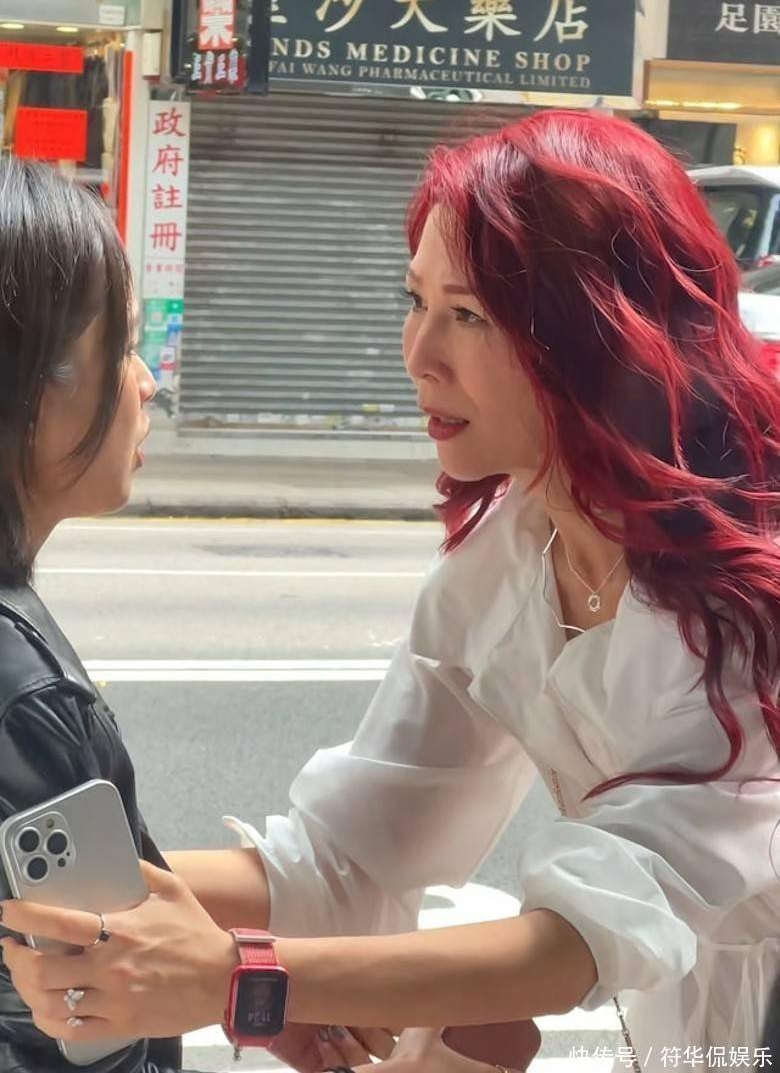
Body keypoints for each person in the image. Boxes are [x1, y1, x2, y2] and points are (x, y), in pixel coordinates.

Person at [4, 111, 780, 1073]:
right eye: (415, 302)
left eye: (469, 315)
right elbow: (350, 858)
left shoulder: (746, 588)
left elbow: (582, 938)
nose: (419, 354)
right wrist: (61, 904)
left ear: (599, 333)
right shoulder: (501, 567)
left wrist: (241, 979)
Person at [0, 156, 181, 1073]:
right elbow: (86, 1039)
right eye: (122, 349)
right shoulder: (26, 705)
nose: (145, 383)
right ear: (35, 388)